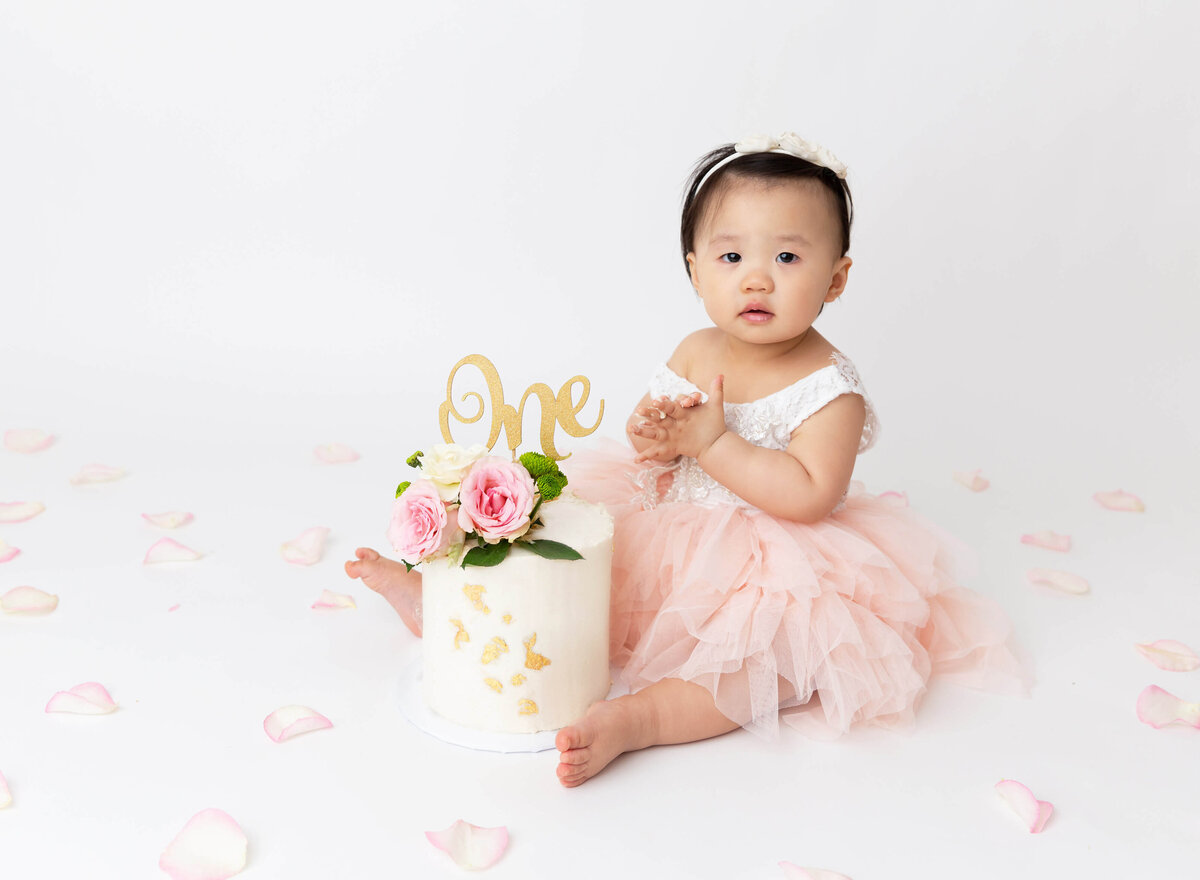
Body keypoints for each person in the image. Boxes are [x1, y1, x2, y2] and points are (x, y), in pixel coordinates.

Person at [346, 133, 1026, 788]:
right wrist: (654, 434)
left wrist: (713, 445)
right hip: (670, 526)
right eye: (732, 259)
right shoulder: (698, 349)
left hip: (777, 561)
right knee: (573, 578)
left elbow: (810, 494)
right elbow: (653, 435)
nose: (757, 278)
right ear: (696, 270)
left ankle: (642, 719)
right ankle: (439, 609)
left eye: (788, 258)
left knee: (768, 659)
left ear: (837, 278)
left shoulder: (830, 387)